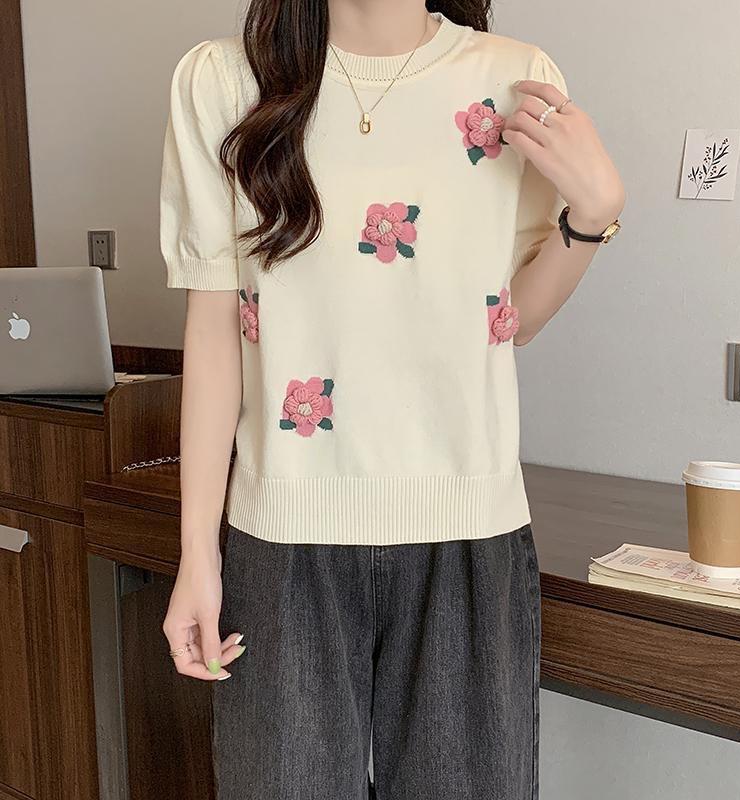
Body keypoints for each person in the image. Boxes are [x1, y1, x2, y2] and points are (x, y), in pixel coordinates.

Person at [158, 1, 624, 797]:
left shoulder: (513, 80)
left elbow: (510, 319)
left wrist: (595, 216)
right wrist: (197, 553)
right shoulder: (224, 81)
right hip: (283, 535)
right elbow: (213, 326)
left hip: (467, 529)